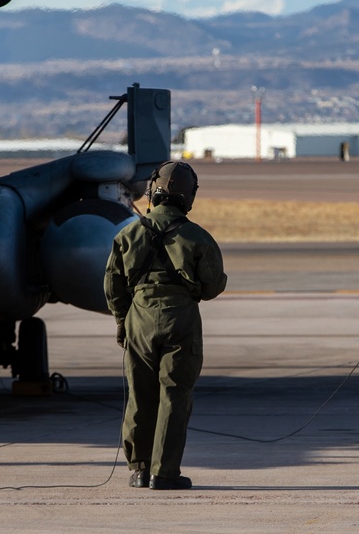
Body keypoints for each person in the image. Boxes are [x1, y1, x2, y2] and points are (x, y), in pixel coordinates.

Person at [104, 161, 227, 490]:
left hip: (139, 321)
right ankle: (165, 472)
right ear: (189, 197)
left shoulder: (127, 234)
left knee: (140, 397)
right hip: (180, 321)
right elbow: (213, 287)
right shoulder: (198, 238)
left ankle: (139, 470)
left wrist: (123, 324)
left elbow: (113, 288)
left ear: (151, 193)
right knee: (174, 395)